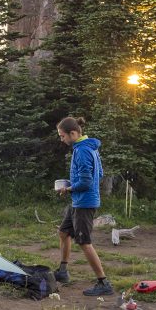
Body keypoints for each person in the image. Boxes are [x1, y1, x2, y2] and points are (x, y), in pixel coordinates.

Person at [54, 116, 114, 296]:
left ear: (73, 133)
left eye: (62, 136)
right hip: (78, 201)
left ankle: (103, 282)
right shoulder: (89, 148)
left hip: (84, 203)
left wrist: (69, 188)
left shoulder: (82, 151)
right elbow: (100, 173)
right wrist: (73, 186)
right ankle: (63, 271)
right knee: (64, 232)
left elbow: (87, 182)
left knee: (84, 242)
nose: (62, 140)